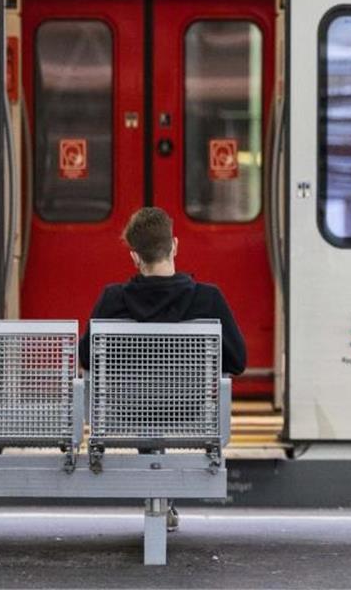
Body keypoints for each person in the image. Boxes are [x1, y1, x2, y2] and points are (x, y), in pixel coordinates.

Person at [78, 206, 247, 532]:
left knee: (146, 401)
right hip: (187, 409)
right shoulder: (208, 300)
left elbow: (87, 358)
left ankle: (159, 495)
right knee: (159, 398)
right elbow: (238, 362)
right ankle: (162, 498)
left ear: (134, 257)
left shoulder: (113, 300)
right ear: (174, 247)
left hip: (125, 410)